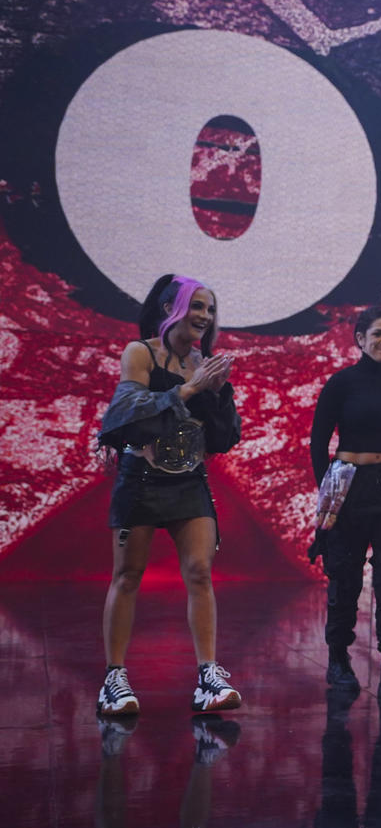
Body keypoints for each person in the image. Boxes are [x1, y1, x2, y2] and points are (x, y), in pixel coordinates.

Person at [96, 274, 243, 717]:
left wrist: (215, 395)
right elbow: (127, 414)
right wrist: (191, 389)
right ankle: (114, 679)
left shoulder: (207, 364)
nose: (204, 316)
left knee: (199, 571)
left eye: (210, 309)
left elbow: (224, 439)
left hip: (188, 479)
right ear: (171, 308)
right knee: (128, 575)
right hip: (140, 477)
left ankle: (208, 677)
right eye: (197, 306)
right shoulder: (140, 353)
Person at [309, 307, 381, 698]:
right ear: (360, 338)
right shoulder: (341, 384)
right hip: (349, 489)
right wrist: (328, 492)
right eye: (377, 334)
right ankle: (338, 659)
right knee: (345, 577)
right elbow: (318, 442)